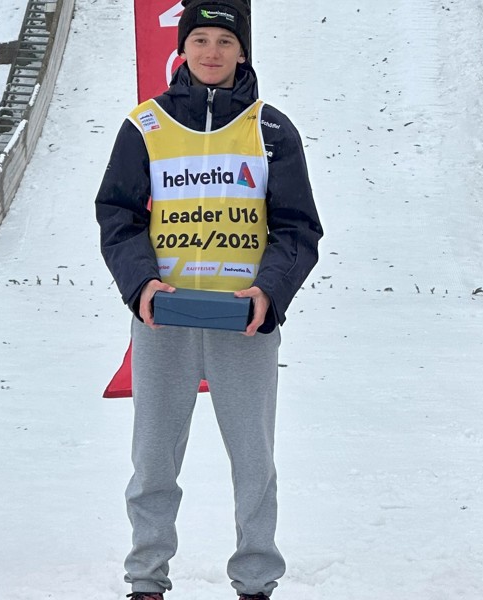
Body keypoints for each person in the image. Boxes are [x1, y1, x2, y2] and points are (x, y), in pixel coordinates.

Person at [94, 0, 322, 598]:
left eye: (224, 41)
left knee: (254, 463)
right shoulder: (145, 124)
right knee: (153, 460)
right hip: (163, 318)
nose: (212, 53)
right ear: (183, 49)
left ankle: (255, 580)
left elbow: (297, 228)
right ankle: (146, 578)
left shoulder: (271, 128)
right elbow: (116, 215)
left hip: (244, 321)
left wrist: (268, 293)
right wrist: (140, 283)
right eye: (200, 41)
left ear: (242, 50)